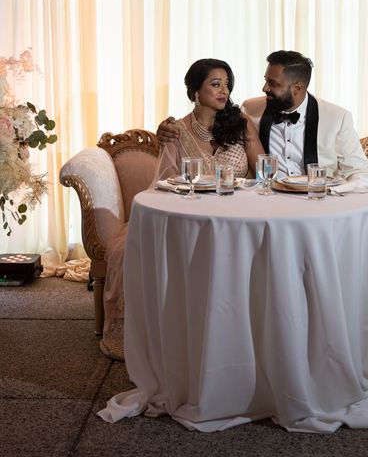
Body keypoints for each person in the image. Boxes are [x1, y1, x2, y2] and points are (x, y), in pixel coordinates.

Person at [100, 58, 264, 361]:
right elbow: (165, 183)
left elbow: (264, 171)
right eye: (215, 84)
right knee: (138, 247)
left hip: (238, 215)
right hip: (193, 216)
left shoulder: (240, 125)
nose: (224, 91)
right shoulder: (175, 131)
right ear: (195, 91)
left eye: (227, 84)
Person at [158, 50, 368, 188]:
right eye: (265, 80)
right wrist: (166, 130)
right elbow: (212, 123)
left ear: (297, 88)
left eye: (273, 84)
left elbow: (360, 172)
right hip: (269, 201)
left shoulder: (337, 118)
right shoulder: (251, 110)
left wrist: (336, 195)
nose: (264, 88)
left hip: (318, 201)